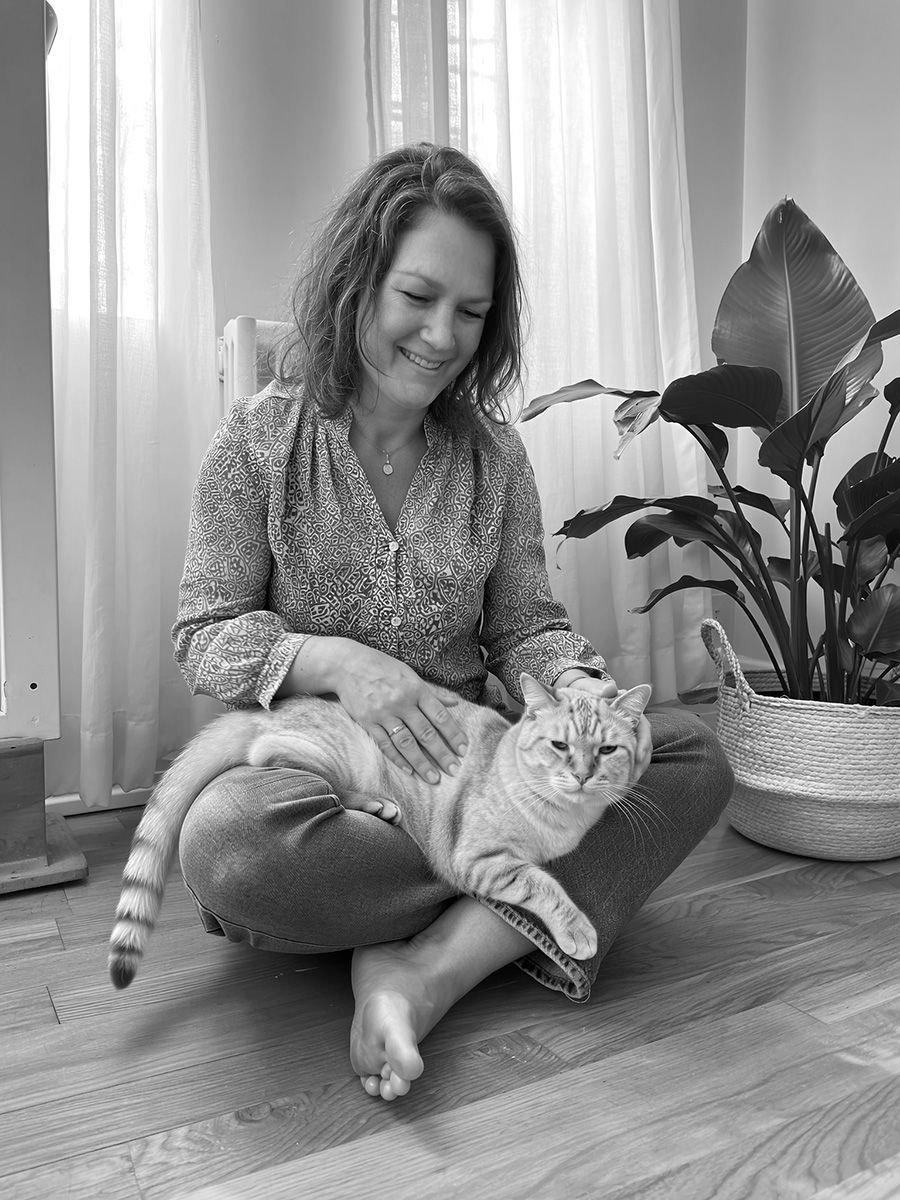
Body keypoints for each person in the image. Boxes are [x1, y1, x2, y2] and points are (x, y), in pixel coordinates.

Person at [174, 143, 733, 1102]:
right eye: (417, 298)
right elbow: (205, 632)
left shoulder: (494, 456)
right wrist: (336, 660)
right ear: (358, 282)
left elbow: (525, 627)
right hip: (340, 795)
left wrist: (580, 687)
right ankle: (495, 909)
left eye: (471, 313)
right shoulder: (258, 441)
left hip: (485, 777)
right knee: (228, 839)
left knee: (689, 757)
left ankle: (419, 966)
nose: (442, 336)